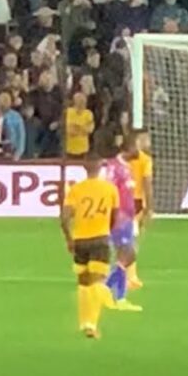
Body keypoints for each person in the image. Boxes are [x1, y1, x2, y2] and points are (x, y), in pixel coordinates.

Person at [61, 156, 119, 339]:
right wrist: (107, 231)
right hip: (100, 239)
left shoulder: (76, 189)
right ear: (100, 168)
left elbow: (64, 218)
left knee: (83, 282)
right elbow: (114, 215)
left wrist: (69, 239)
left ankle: (84, 322)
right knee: (98, 281)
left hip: (80, 240)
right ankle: (92, 324)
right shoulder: (110, 188)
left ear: (84, 169)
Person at [102, 146, 142, 312]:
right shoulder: (114, 167)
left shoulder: (125, 166)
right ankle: (109, 290)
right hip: (120, 217)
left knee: (126, 254)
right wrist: (115, 214)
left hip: (127, 216)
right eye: (137, 145)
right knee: (127, 253)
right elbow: (109, 190)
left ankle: (116, 296)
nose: (140, 150)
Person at [65, 92, 95, 160]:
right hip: (70, 149)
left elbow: (90, 129)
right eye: (80, 101)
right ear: (75, 102)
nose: (82, 103)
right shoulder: (68, 112)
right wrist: (83, 128)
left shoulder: (89, 114)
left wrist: (77, 127)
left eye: (84, 101)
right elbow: (70, 130)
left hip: (83, 150)